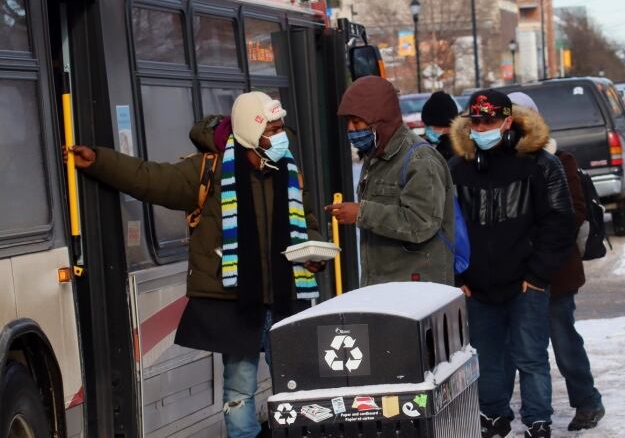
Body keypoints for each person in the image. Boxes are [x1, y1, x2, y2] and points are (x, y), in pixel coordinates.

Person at [68, 92, 326, 438]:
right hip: (238, 300)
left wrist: (313, 251)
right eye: (272, 130)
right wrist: (100, 161)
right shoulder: (211, 168)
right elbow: (151, 179)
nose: (281, 137)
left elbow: (306, 222)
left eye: (281, 128)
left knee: (297, 385)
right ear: (251, 132)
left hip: (285, 297)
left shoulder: (289, 169)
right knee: (239, 387)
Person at [449, 89, 575, 438]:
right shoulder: (457, 168)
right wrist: (457, 274)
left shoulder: (539, 165)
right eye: (476, 121)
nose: (482, 127)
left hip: (525, 284)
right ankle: (493, 417)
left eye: (489, 120)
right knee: (488, 360)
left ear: (507, 121)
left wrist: (537, 274)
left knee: (531, 357)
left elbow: (560, 222)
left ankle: (537, 421)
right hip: (478, 288)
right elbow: (445, 226)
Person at [506, 92, 606, 431]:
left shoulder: (560, 160)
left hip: (555, 272)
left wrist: (537, 243)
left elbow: (575, 213)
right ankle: (511, 412)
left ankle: (587, 401)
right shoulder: (500, 163)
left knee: (562, 340)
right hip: (514, 273)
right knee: (517, 347)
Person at [326, 76, 455, 286]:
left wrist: (362, 212)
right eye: (348, 121)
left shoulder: (420, 159)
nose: (350, 128)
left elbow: (422, 222)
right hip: (385, 287)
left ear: (380, 120)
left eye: (356, 121)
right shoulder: (376, 156)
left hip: (415, 291)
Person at [421, 90, 459, 160]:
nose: (429, 130)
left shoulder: (458, 151)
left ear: (448, 126)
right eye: (427, 126)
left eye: (434, 126)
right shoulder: (425, 147)